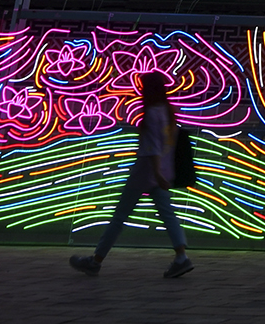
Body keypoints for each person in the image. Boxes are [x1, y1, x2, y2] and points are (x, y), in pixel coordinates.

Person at [69, 71, 193, 278]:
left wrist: (155, 172)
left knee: (119, 217)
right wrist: (161, 173)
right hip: (162, 171)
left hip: (146, 172)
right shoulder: (168, 111)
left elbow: (152, 147)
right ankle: (182, 257)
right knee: (167, 214)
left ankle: (96, 261)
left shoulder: (152, 112)